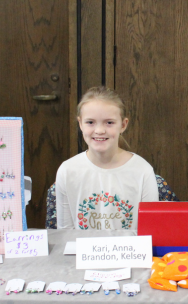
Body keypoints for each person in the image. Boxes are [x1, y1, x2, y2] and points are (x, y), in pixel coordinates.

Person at [56, 86, 158, 230]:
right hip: (81, 252)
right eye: (90, 122)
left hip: (127, 252)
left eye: (109, 123)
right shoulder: (67, 170)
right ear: (80, 124)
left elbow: (150, 231)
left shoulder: (143, 171)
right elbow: (64, 233)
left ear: (123, 125)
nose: (99, 130)